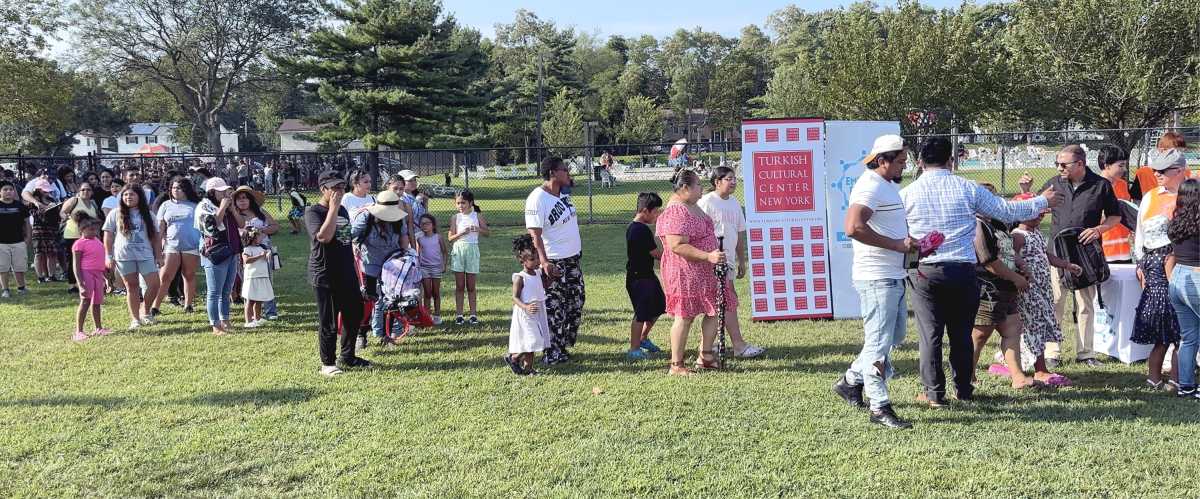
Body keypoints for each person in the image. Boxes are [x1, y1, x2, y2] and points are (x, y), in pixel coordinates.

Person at [902, 138, 1057, 406]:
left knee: (930, 335)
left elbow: (899, 234)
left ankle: (934, 394)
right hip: (962, 270)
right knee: (962, 333)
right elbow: (1006, 211)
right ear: (952, 161)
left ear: (919, 162)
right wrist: (1042, 200)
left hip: (925, 271)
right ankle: (963, 391)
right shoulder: (967, 188)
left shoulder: (907, 194)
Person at [834, 134, 915, 428]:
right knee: (879, 344)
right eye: (901, 162)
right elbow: (853, 226)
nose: (904, 166)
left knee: (891, 338)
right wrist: (896, 246)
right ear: (883, 160)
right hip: (877, 276)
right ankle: (879, 407)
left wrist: (907, 243)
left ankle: (849, 381)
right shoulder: (870, 185)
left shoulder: (884, 185)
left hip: (892, 275)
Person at [1020, 145, 1121, 369]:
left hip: (1086, 254)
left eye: (1063, 164)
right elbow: (1033, 208)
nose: (1059, 168)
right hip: (1057, 252)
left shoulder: (1100, 185)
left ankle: (1085, 353)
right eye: (1057, 164)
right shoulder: (1054, 184)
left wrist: (1098, 230)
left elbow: (1115, 216)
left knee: (1085, 303)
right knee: (1055, 300)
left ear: (1080, 164)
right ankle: (1051, 352)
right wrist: (1028, 191)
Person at [969, 188, 1042, 391]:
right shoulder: (977, 224)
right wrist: (1016, 278)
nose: (996, 202)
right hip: (987, 287)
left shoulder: (997, 223)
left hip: (1006, 288)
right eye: (990, 198)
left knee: (1012, 329)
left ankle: (1018, 377)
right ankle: (967, 377)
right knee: (980, 334)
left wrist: (1021, 265)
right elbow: (988, 260)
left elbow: (1007, 248)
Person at [656, 169, 727, 376]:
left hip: (704, 270)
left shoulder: (692, 205)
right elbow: (676, 245)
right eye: (697, 185)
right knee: (684, 316)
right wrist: (708, 256)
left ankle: (705, 356)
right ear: (684, 188)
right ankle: (676, 365)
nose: (701, 189)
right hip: (684, 271)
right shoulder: (676, 211)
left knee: (714, 309)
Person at [1132, 149, 1188, 390]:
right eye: (1155, 170)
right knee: (1177, 335)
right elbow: (1140, 233)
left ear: (1178, 172)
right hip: (1163, 268)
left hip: (1181, 264)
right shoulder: (1151, 197)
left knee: (1169, 337)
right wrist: (1139, 262)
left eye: (1162, 171)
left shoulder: (1192, 193)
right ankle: (1175, 379)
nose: (1156, 174)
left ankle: (1161, 378)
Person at [1010, 193, 1079, 387]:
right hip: (1028, 290)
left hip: (1043, 288)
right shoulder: (1018, 236)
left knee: (1040, 323)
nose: (1040, 216)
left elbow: (1046, 255)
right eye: (1035, 212)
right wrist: (1022, 273)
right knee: (1035, 325)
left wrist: (1066, 265)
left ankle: (1020, 362)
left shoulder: (1036, 233)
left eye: (1042, 213)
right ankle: (1040, 369)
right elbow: (1011, 256)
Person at [697, 166, 766, 358]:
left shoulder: (735, 202)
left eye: (734, 178)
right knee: (724, 302)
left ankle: (709, 346)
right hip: (712, 261)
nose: (733, 182)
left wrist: (741, 260)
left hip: (727, 262)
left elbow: (739, 233)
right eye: (729, 179)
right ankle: (736, 345)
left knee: (723, 302)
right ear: (717, 182)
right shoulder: (706, 202)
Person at [307, 170, 371, 376]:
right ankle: (327, 363)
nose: (339, 191)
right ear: (323, 189)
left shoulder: (343, 210)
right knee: (330, 320)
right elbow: (324, 237)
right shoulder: (313, 212)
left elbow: (345, 239)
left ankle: (348, 356)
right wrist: (333, 208)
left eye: (342, 187)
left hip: (346, 270)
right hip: (325, 273)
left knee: (354, 314)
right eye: (334, 188)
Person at [525, 157, 585, 365]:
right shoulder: (537, 198)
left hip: (573, 260)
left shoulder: (562, 194)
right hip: (554, 262)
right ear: (552, 172)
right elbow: (535, 235)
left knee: (575, 304)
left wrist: (567, 183)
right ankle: (551, 352)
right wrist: (544, 262)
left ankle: (562, 345)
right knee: (555, 309)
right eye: (565, 170)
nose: (569, 173)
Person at [350, 189, 409, 346]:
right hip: (369, 265)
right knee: (368, 299)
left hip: (392, 265)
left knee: (391, 300)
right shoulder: (365, 217)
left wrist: (404, 257)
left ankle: (387, 336)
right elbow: (351, 236)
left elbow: (403, 238)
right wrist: (354, 245)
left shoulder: (399, 219)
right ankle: (361, 334)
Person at [103, 185, 162, 331]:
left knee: (154, 284)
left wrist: (159, 255)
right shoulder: (115, 213)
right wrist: (108, 255)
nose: (128, 197)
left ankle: (146, 311)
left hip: (145, 255)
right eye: (125, 195)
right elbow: (108, 235)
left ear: (139, 197)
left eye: (132, 195)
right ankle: (135, 319)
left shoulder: (148, 214)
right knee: (132, 287)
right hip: (124, 256)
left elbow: (156, 237)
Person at [195, 178, 242, 335]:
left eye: (226, 190)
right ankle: (215, 324)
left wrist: (233, 209)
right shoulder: (204, 207)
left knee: (226, 290)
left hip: (232, 251)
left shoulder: (228, 206)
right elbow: (212, 228)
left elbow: (241, 224)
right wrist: (222, 208)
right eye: (221, 191)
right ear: (212, 192)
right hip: (215, 253)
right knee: (214, 291)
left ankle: (225, 320)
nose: (225, 193)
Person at [1168, 178, 1200, 398]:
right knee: (1189, 337)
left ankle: (1186, 386)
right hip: (1196, 277)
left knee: (1188, 337)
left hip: (1178, 277)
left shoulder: (1176, 220)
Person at [152, 177, 201, 315]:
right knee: (165, 276)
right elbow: (160, 228)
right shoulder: (166, 205)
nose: (176, 190)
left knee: (189, 275)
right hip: (171, 245)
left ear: (186, 189)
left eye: (179, 188)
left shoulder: (195, 205)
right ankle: (155, 306)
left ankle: (188, 305)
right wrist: (158, 248)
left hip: (191, 245)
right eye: (173, 188)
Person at [625, 192, 666, 361]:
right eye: (655, 212)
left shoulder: (641, 228)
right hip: (638, 278)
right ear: (644, 210)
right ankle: (634, 349)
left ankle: (643, 338)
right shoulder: (638, 230)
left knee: (659, 306)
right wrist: (674, 252)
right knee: (641, 313)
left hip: (648, 275)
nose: (657, 215)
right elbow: (655, 253)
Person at [505, 235, 552, 375]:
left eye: (537, 258)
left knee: (533, 342)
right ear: (522, 261)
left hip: (537, 312)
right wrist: (525, 307)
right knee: (533, 341)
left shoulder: (538, 273)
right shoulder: (520, 278)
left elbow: (544, 286)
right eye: (532, 259)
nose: (537, 261)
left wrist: (552, 277)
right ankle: (513, 357)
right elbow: (514, 298)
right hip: (525, 314)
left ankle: (528, 369)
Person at [233, 186, 280, 320]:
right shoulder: (234, 215)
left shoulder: (260, 212)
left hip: (263, 249)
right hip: (244, 251)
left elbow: (275, 227)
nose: (242, 201)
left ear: (250, 199)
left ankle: (270, 312)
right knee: (248, 281)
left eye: (245, 198)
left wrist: (260, 231)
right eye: (239, 199)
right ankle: (251, 314)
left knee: (267, 279)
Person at [449, 189, 489, 325]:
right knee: (460, 286)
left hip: (472, 250)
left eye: (463, 203)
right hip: (459, 251)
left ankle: (473, 314)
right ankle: (459, 315)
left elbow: (487, 233)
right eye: (458, 203)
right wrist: (461, 233)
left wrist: (477, 229)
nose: (460, 206)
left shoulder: (477, 216)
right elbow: (450, 237)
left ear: (470, 203)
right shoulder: (455, 218)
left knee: (471, 286)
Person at [70, 213, 109, 340]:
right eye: (91, 229)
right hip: (86, 273)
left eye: (96, 229)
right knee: (85, 301)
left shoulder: (97, 241)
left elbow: (100, 260)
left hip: (98, 274)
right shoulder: (79, 244)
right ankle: (79, 331)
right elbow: (76, 265)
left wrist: (106, 277)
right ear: (82, 230)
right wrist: (80, 283)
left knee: (97, 301)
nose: (94, 232)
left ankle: (98, 328)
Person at [1096, 145, 1134, 263]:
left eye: (1125, 165)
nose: (1125, 169)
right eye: (1121, 165)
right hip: (1103, 252)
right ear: (1107, 166)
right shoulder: (1093, 187)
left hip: (1124, 251)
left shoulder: (1122, 185)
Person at [60, 181, 100, 294]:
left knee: (85, 260)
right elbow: (62, 212)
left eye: (88, 190)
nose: (85, 192)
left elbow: (95, 219)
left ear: (92, 192)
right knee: (73, 260)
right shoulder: (74, 200)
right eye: (83, 189)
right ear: (79, 191)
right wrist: (70, 218)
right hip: (72, 235)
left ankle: (83, 283)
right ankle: (72, 285)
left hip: (87, 237)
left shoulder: (93, 204)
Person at [1132, 133, 1191, 200]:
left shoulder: (1185, 171)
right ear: (1161, 150)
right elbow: (1137, 203)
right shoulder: (1143, 173)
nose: (1179, 155)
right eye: (1175, 151)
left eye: (1182, 151)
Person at [0, 180, 32, 298]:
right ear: (0, 192)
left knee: (19, 267)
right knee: (3, 268)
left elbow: (27, 224)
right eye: (5, 189)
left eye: (10, 189)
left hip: (18, 241)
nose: (8, 192)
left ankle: (21, 288)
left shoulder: (20, 206)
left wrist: (28, 238)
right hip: (1, 243)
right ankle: (5, 290)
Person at [416, 213, 448, 325]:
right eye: (422, 223)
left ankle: (437, 314)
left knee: (436, 292)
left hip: (436, 268)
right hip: (424, 268)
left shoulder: (438, 237)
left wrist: (444, 264)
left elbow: (444, 252)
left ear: (433, 225)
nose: (425, 226)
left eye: (427, 223)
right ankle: (427, 315)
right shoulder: (419, 238)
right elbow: (417, 252)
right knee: (427, 292)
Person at [28, 183, 62, 283]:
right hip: (39, 229)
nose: (46, 191)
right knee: (39, 253)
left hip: (51, 229)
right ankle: (40, 277)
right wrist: (45, 208)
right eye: (44, 190)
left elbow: (57, 216)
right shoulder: (34, 201)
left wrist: (57, 208)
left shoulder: (52, 199)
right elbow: (34, 215)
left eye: (47, 190)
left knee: (52, 252)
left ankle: (51, 276)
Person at [240, 228, 274, 328]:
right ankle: (248, 321)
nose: (261, 238)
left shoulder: (261, 248)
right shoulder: (247, 249)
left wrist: (268, 255)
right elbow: (246, 260)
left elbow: (265, 258)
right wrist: (260, 256)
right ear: (253, 238)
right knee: (251, 300)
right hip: (252, 277)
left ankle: (257, 318)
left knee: (259, 299)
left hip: (262, 275)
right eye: (259, 236)